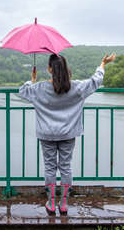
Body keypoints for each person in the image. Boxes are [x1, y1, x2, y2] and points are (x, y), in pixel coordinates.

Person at [18, 52, 116, 215]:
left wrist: (32, 80)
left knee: (50, 168)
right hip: (68, 134)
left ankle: (50, 202)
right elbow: (96, 81)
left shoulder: (39, 88)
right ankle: (63, 204)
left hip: (47, 135)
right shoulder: (76, 87)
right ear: (65, 69)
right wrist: (102, 65)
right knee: (65, 167)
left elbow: (23, 91)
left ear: (50, 69)